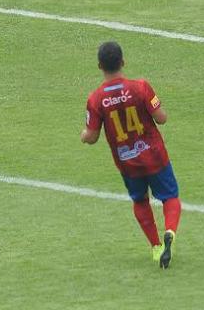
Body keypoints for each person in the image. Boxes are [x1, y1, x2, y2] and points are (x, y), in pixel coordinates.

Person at [81, 41, 181, 269]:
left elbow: (92, 135)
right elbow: (162, 118)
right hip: (154, 155)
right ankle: (170, 232)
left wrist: (83, 135)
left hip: (127, 161)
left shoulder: (96, 99)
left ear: (99, 66)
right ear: (123, 62)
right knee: (170, 196)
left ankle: (156, 247)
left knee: (140, 200)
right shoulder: (141, 87)